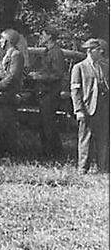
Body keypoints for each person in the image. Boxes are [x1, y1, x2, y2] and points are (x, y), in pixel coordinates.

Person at [70, 38, 109, 174]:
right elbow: (75, 90)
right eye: (98, 50)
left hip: (103, 108)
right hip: (87, 108)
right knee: (85, 138)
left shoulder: (105, 66)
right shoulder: (79, 67)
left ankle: (103, 167)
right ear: (90, 51)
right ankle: (83, 168)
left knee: (103, 138)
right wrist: (79, 110)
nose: (101, 52)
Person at [30, 25, 66, 155]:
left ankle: (52, 152)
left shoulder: (56, 52)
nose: (41, 37)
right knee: (44, 122)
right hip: (44, 91)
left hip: (51, 92)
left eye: (43, 34)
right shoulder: (46, 51)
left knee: (48, 122)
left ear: (50, 36)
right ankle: (50, 150)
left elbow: (58, 74)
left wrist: (38, 76)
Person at [0, 29, 25, 153]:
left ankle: (10, 152)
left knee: (8, 125)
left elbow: (12, 76)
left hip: (8, 95)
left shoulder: (16, 55)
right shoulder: (7, 54)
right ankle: (2, 150)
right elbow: (1, 72)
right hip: (2, 95)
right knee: (1, 125)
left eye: (2, 39)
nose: (0, 41)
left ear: (7, 41)